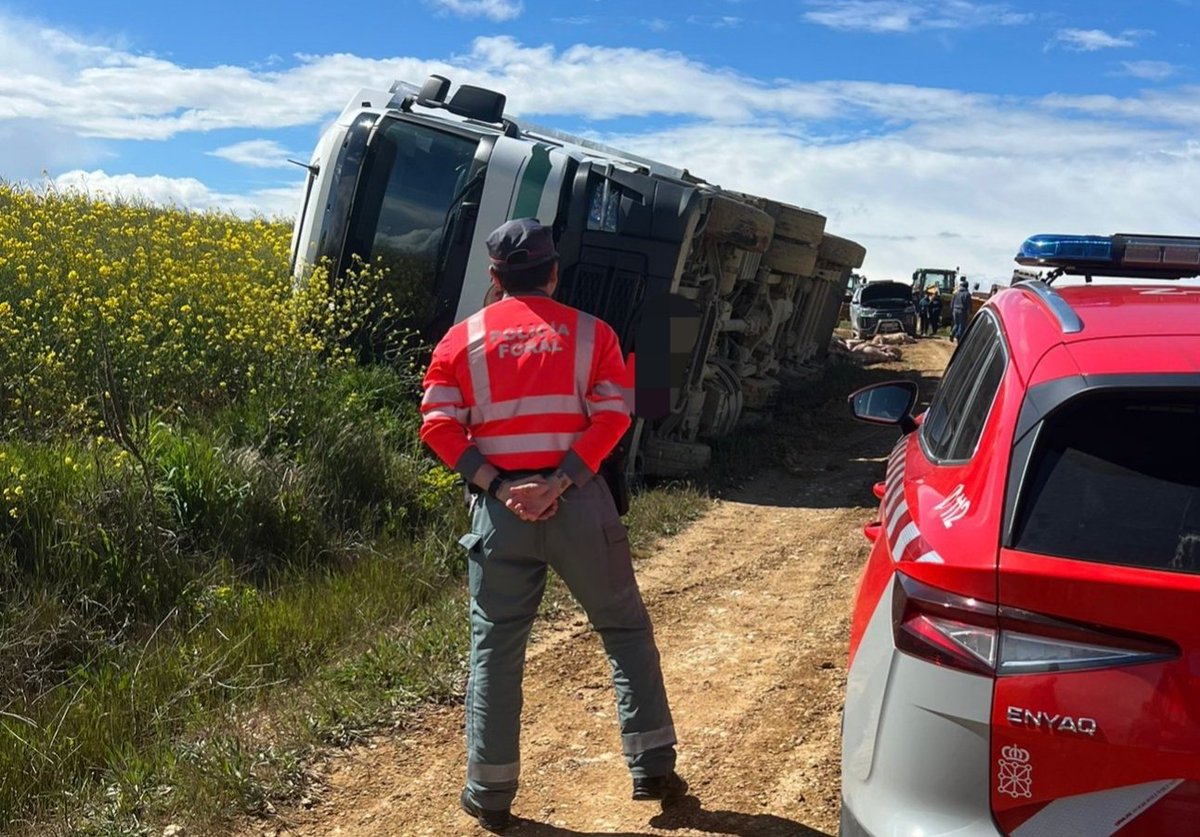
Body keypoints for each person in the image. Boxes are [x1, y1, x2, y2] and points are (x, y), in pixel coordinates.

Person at [419, 218, 684, 833]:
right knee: (623, 630)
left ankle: (488, 794)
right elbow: (615, 416)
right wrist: (560, 482)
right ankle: (651, 767)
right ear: (554, 272)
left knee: (495, 652)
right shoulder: (595, 335)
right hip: (580, 506)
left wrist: (501, 486)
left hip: (499, 516)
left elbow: (437, 426)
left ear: (494, 276)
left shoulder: (459, 342)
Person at [950, 278, 972, 342]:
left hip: (955, 310)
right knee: (961, 325)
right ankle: (958, 336)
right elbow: (968, 304)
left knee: (956, 324)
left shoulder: (956, 293)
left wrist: (952, 310)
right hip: (962, 311)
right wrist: (969, 311)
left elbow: (952, 302)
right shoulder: (967, 294)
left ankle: (952, 333)